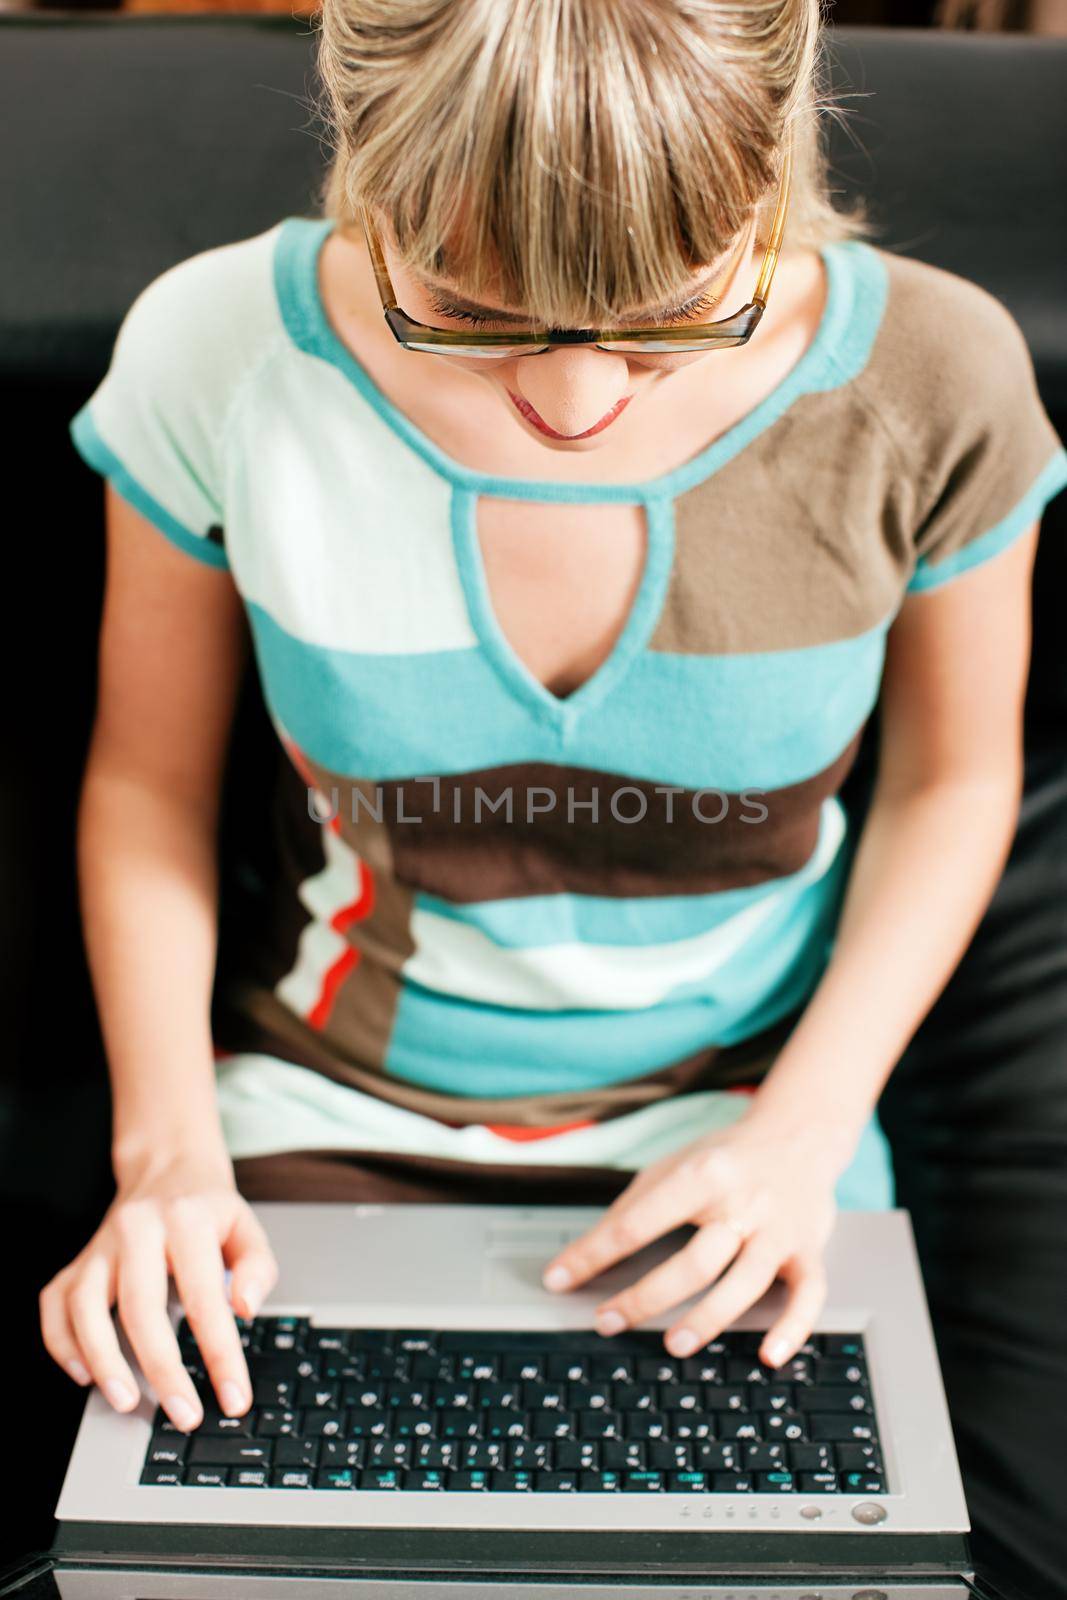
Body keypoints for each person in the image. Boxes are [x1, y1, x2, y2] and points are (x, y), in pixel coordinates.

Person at [39, 0, 1067, 1453]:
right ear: (363, 157)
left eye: (674, 314)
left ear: (773, 163)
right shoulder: (218, 358)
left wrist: (806, 1129)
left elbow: (960, 782)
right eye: (464, 305)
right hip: (332, 1108)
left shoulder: (934, 383)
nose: (573, 401)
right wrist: (163, 1159)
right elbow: (145, 785)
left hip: (749, 1115)